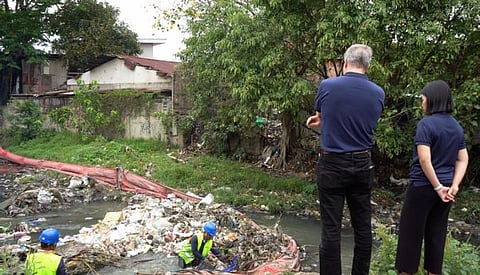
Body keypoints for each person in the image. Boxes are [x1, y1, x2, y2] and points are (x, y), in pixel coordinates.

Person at [306, 43, 385, 275]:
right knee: (363, 228)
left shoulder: (328, 86)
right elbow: (362, 123)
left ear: (345, 62)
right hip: (363, 163)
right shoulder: (378, 92)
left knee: (331, 229)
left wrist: (316, 122)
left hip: (332, 164)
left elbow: (321, 118)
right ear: (367, 66)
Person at [395, 80, 468, 275]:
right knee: (436, 236)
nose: (422, 101)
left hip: (422, 187)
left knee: (410, 237)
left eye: (424, 97)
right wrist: (454, 185)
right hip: (446, 190)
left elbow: (425, 160)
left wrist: (436, 186)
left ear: (433, 99)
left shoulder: (425, 124)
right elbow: (463, 159)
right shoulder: (456, 126)